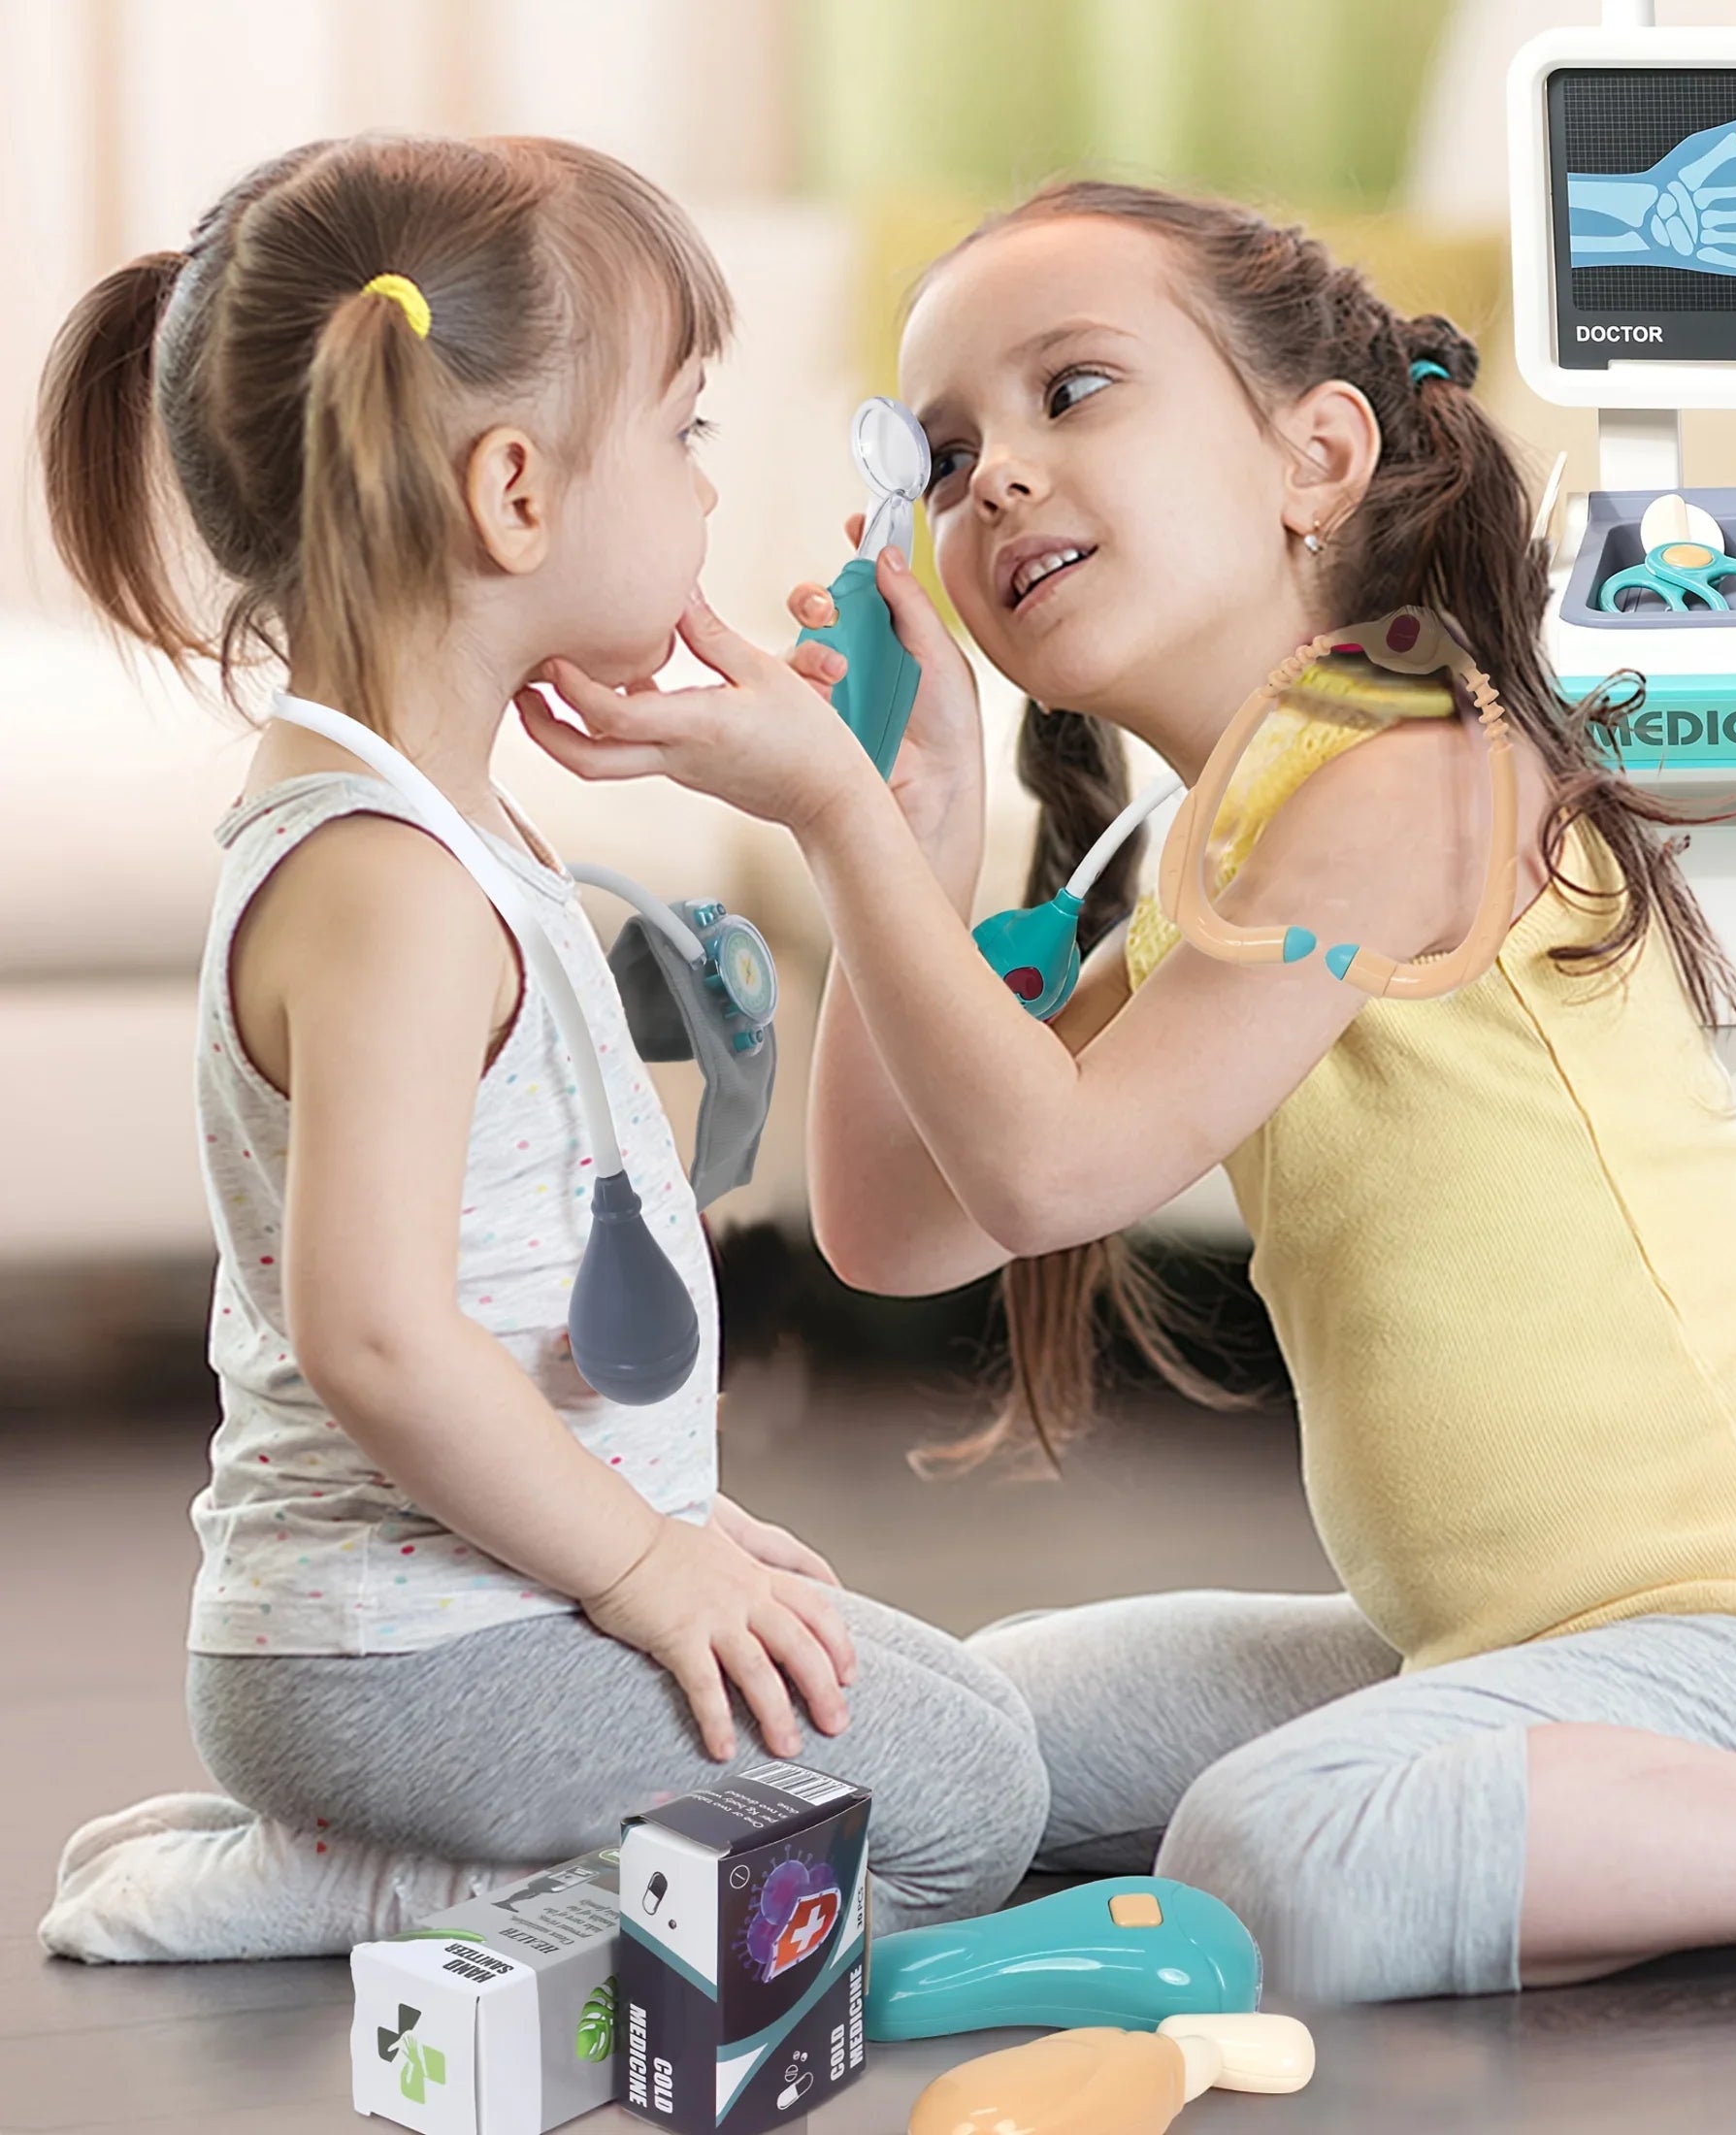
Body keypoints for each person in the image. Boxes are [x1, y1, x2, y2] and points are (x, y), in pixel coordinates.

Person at [521, 178, 1736, 2002]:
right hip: (1494, 1642)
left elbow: (1052, 1175)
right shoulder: (1228, 842)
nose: (997, 482)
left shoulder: (1415, 772)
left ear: (1320, 452)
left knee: (1276, 1850)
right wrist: (904, 834)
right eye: (950, 453)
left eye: (1075, 391)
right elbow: (902, 1231)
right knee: (984, 1710)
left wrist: (829, 808)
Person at [35, 133, 1044, 1965]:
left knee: (970, 1726)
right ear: (512, 493)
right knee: (969, 1821)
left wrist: (670, 1510)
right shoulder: (389, 887)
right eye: (685, 431)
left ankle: (335, 1832)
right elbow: (374, 1333)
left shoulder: (429, 822)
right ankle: (380, 1871)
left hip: (433, 1626)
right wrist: (647, 1562)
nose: (702, 484)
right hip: (396, 1664)